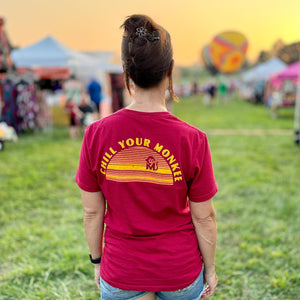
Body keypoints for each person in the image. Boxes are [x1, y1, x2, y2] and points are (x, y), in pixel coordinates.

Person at [76, 14, 218, 300]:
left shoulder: (96, 134)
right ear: (171, 70)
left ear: (126, 72)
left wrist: (97, 262)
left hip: (121, 270)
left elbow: (92, 212)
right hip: (179, 270)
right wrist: (210, 269)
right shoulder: (193, 139)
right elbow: (204, 218)